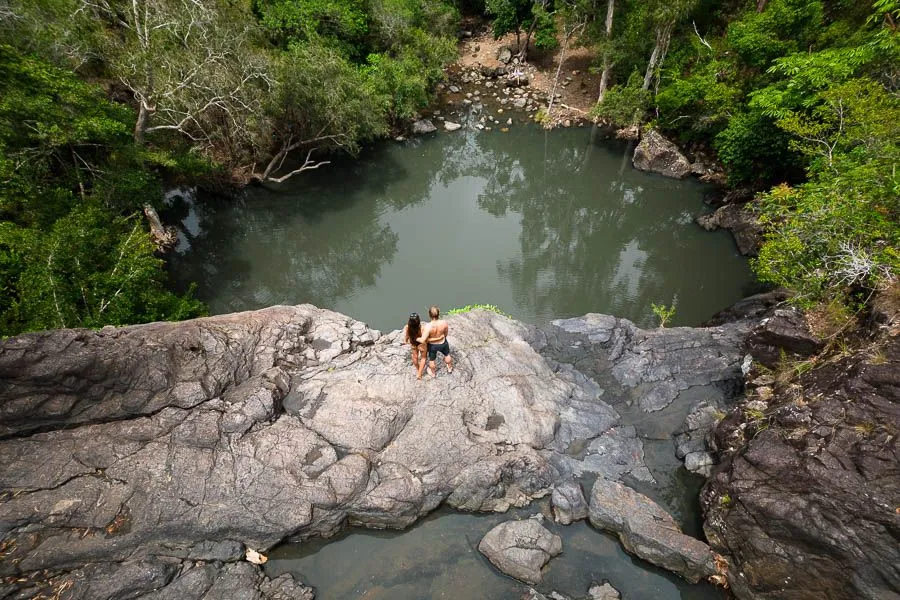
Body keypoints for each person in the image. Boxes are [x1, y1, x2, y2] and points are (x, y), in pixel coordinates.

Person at [417, 305, 453, 378]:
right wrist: (440, 338)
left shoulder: (428, 326)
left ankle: (433, 373)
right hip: (443, 342)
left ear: (429, 315)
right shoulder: (444, 323)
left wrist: (416, 338)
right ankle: (449, 368)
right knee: (447, 355)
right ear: (438, 313)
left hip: (433, 346)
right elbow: (446, 334)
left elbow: (423, 340)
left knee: (432, 359)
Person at [402, 313, 427, 379]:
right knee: (423, 358)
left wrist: (405, 341)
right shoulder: (421, 328)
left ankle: (418, 369)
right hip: (421, 344)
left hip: (413, 343)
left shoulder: (407, 327)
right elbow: (424, 338)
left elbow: (407, 336)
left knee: (415, 357)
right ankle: (419, 374)